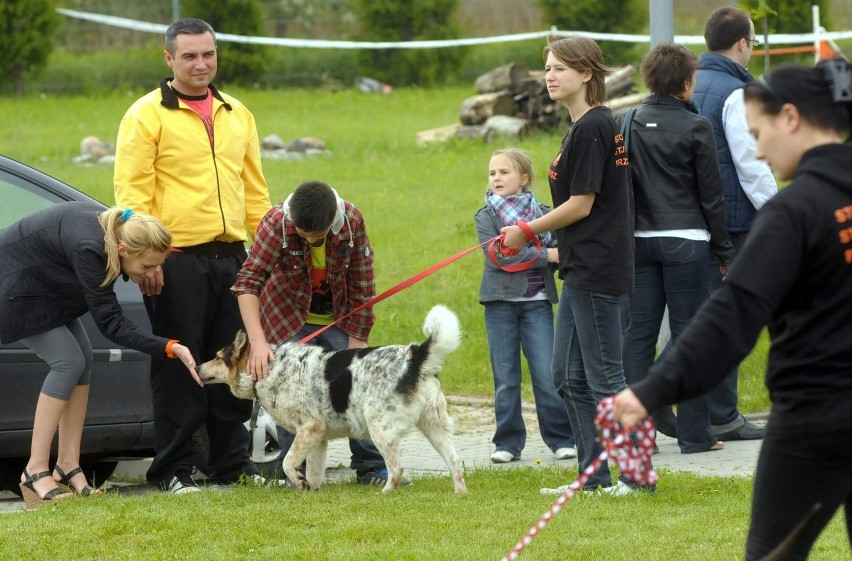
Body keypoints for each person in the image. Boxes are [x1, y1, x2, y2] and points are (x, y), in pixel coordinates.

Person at [612, 60, 852, 561]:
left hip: (815, 423)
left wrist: (650, 392)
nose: (759, 150)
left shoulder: (794, 212)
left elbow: (732, 317)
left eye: (759, 132)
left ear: (791, 117)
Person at [113, 18, 272, 494]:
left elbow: (255, 189)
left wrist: (269, 254)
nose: (201, 64)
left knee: (234, 363)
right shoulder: (145, 115)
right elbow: (130, 197)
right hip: (175, 259)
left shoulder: (237, 112)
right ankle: (174, 470)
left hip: (234, 256)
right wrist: (150, 260)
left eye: (208, 54)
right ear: (169, 59)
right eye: (189, 56)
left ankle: (232, 464)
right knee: (179, 366)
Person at [501, 36, 649, 496]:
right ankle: (592, 476)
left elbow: (583, 205)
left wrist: (526, 229)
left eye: (560, 68)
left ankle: (636, 476)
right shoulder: (585, 126)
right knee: (568, 377)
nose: (549, 75)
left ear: (587, 73)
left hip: (598, 269)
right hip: (580, 266)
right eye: (547, 67)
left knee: (606, 376)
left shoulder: (595, 127)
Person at [0, 203, 200, 508]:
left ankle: (68, 465)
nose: (149, 274)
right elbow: (111, 324)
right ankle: (35, 470)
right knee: (67, 361)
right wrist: (168, 346)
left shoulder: (114, 230)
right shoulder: (89, 247)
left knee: (83, 359)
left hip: (45, 286)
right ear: (122, 249)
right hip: (14, 289)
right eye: (146, 267)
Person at [231, 180, 399, 486]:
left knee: (356, 388)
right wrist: (257, 343)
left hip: (339, 318)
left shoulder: (352, 221)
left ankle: (373, 468)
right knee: (288, 392)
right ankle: (297, 471)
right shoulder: (275, 225)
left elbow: (363, 282)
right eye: (303, 234)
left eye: (317, 236)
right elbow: (248, 283)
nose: (309, 240)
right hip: (285, 320)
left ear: (331, 221)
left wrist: (358, 339)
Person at [620, 43, 735, 454]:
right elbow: (712, 196)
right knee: (690, 337)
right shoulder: (696, 126)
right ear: (686, 83)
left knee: (638, 337)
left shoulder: (627, 121)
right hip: (687, 241)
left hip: (638, 241)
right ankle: (695, 434)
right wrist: (724, 252)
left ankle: (637, 435)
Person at [689, 5, 778, 442]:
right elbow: (751, 163)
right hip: (733, 223)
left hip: (689, 221)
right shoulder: (735, 93)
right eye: (753, 40)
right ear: (743, 43)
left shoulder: (688, 84)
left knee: (701, 316)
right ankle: (722, 413)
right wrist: (780, 210)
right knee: (728, 318)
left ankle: (692, 408)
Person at [475, 148, 576, 464]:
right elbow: (500, 256)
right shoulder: (486, 216)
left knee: (547, 376)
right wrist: (547, 257)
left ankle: (561, 439)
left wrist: (556, 254)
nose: (497, 178)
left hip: (537, 305)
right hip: (499, 306)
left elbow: (565, 248)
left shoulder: (545, 214)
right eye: (493, 173)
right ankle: (507, 442)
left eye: (504, 172)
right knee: (506, 378)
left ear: (524, 178)